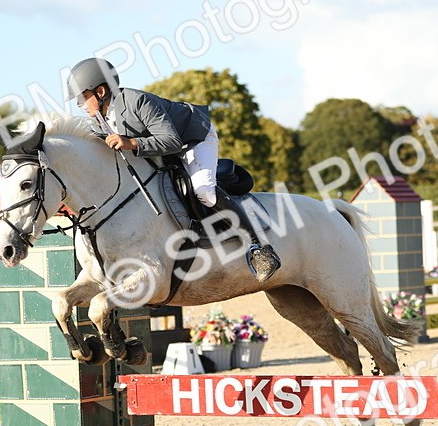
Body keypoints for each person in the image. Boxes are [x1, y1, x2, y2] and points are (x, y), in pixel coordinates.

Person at [66, 57, 281, 282]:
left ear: (100, 91)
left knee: (204, 191)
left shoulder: (137, 101)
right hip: (160, 148)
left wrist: (131, 143)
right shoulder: (99, 120)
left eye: (82, 97)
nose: (80, 105)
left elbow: (172, 141)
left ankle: (260, 248)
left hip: (193, 138)